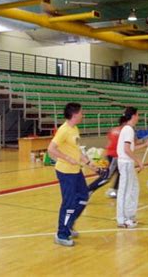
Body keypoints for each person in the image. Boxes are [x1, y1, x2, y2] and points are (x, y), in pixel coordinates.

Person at [48, 102, 98, 247]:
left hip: (76, 171)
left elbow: (77, 150)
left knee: (83, 196)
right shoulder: (64, 130)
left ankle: (68, 224)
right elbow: (51, 149)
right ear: (75, 114)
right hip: (65, 172)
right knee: (68, 203)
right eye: (81, 113)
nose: (83, 115)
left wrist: (90, 164)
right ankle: (61, 234)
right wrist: (66, 158)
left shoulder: (74, 128)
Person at [116, 107, 148, 228]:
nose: (138, 117)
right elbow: (126, 150)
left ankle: (130, 215)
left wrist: (145, 144)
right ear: (133, 116)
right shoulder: (128, 129)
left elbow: (130, 147)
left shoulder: (129, 129)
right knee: (125, 191)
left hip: (128, 163)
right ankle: (123, 219)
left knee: (134, 188)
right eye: (138, 115)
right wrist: (139, 161)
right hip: (125, 163)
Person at [87, 118, 126, 198]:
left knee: (120, 172)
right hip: (115, 156)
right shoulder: (124, 131)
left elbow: (110, 142)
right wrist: (144, 143)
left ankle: (115, 190)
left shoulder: (113, 130)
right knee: (107, 177)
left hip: (111, 154)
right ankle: (89, 189)